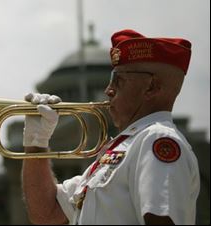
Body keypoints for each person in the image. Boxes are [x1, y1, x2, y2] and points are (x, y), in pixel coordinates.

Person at [22, 29, 200, 225]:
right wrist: (36, 144)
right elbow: (46, 214)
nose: (108, 91)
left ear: (151, 87)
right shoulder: (121, 151)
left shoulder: (155, 139)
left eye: (118, 81)